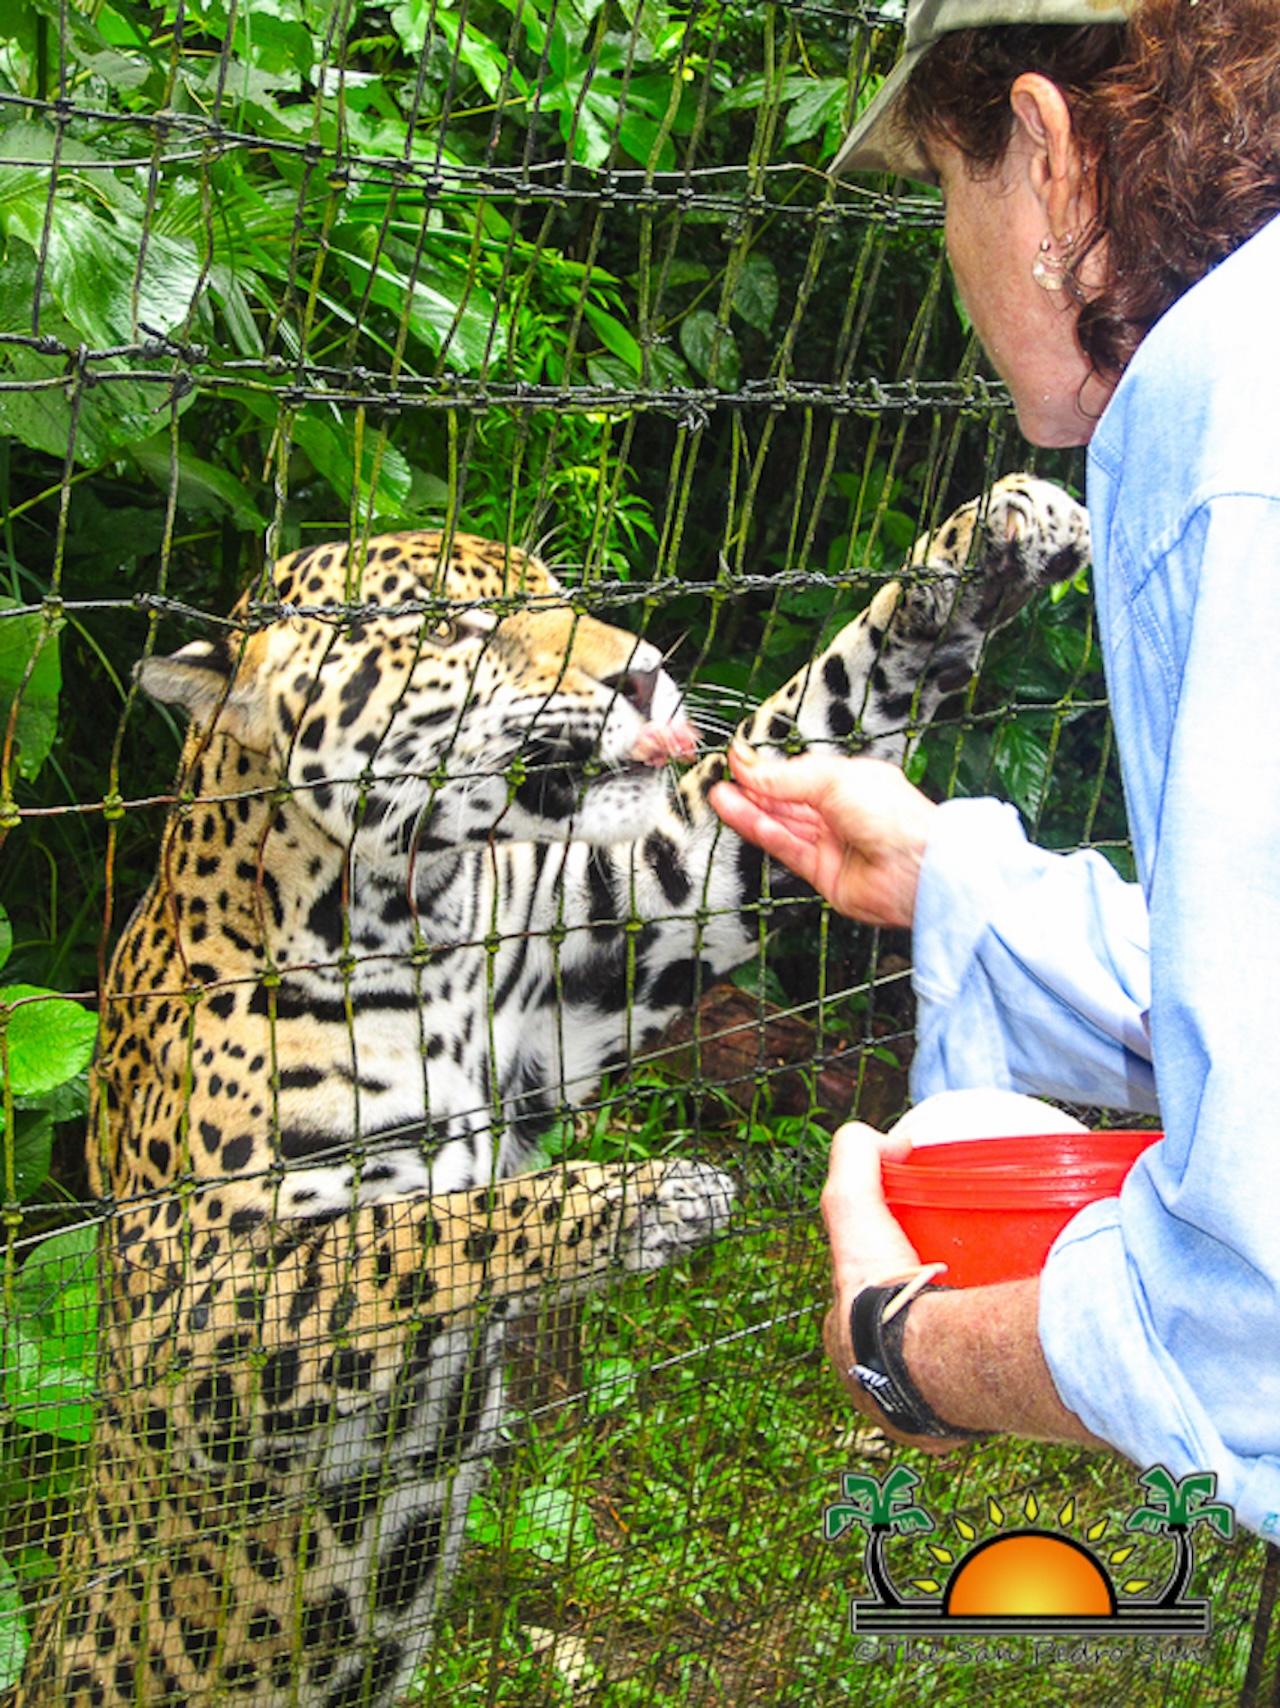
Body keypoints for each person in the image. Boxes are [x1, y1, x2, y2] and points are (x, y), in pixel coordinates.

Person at [710, 0, 1280, 1535]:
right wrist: (951, 876)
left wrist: (910, 1352)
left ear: (1042, 148)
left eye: (943, 188)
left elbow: (1264, 1310)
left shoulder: (1230, 418)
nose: (951, 250)